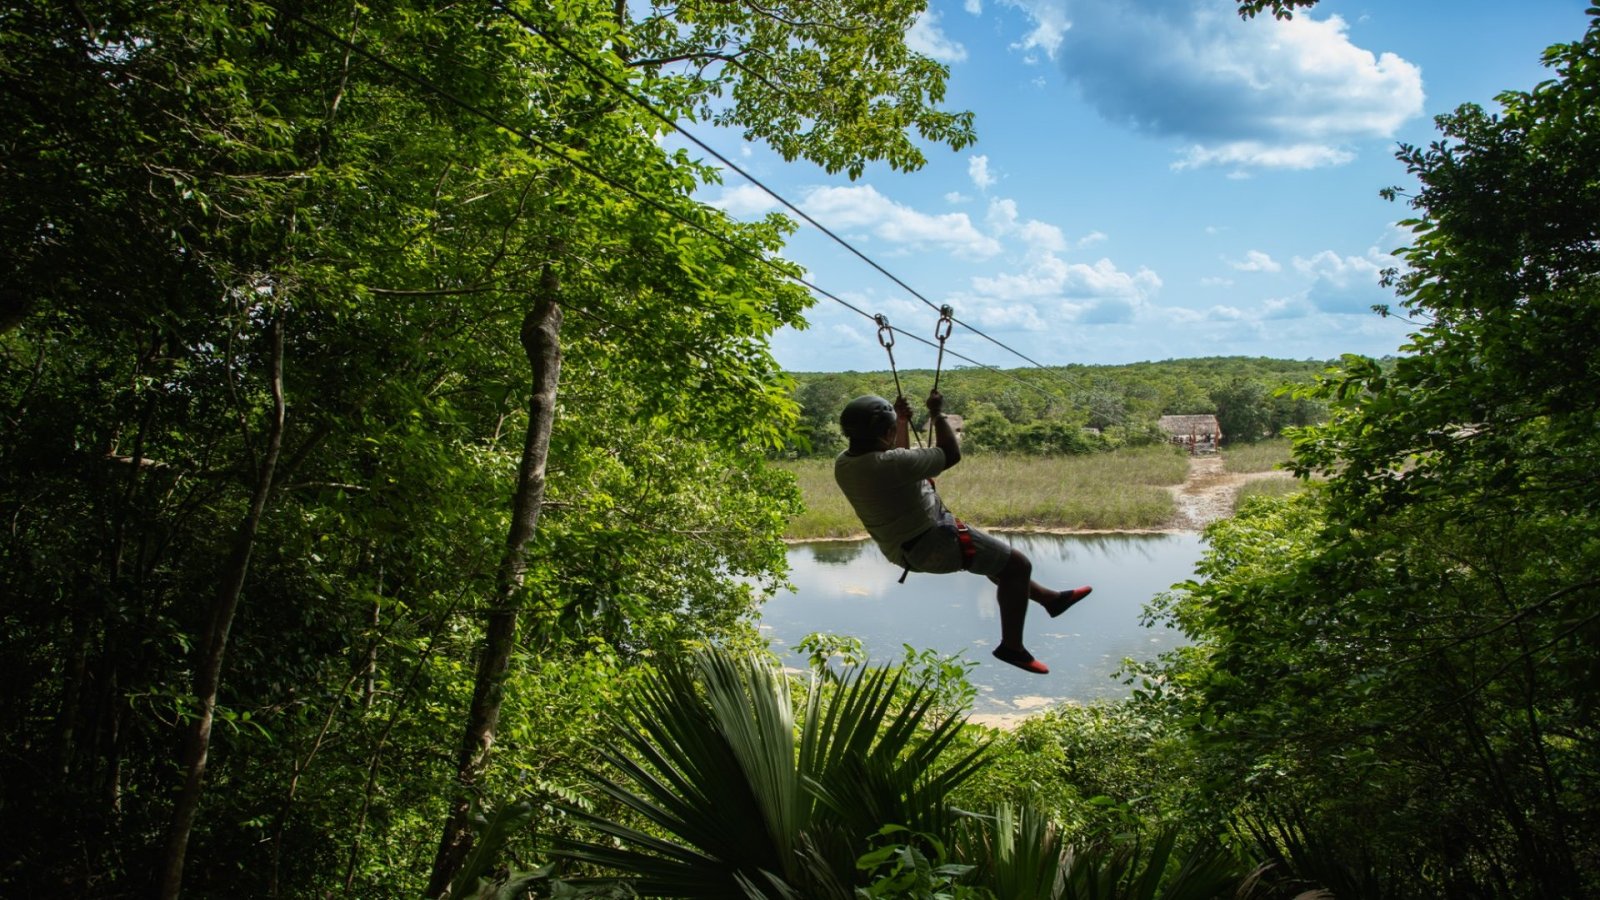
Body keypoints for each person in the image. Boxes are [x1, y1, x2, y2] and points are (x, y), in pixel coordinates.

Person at [833, 391, 1092, 674]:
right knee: (1017, 566)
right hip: (932, 544)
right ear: (886, 431)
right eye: (893, 429)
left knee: (997, 564)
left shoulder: (845, 463)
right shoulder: (889, 464)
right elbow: (951, 454)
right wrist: (937, 414)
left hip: (907, 549)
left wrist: (902, 423)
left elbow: (899, 457)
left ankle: (1051, 600)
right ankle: (1012, 648)